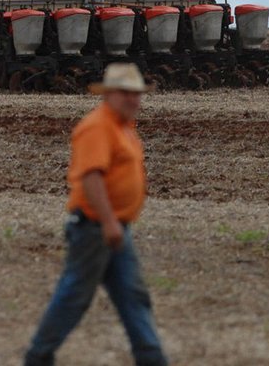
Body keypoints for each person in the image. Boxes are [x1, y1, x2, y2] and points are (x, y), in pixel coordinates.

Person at [24, 62, 167, 366]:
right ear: (109, 95)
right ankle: (38, 356)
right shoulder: (97, 127)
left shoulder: (123, 127)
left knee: (133, 296)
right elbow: (91, 177)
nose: (134, 100)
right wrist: (109, 222)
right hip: (96, 227)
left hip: (114, 227)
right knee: (75, 296)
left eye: (137, 94)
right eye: (126, 93)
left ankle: (152, 358)